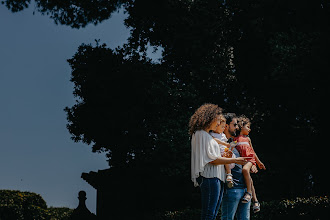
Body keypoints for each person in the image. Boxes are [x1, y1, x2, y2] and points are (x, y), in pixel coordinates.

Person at [190, 104, 249, 220]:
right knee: (209, 214)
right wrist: (234, 160)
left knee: (213, 214)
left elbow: (217, 156)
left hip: (217, 178)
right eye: (217, 120)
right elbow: (212, 160)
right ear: (208, 119)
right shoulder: (200, 134)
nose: (218, 123)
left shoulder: (207, 136)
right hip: (210, 178)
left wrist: (228, 153)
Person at [221, 113, 257, 220]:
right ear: (226, 126)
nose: (237, 127)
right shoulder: (222, 143)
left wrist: (253, 163)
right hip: (232, 189)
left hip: (245, 190)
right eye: (235, 124)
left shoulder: (238, 142)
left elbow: (250, 155)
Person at [234, 115, 265, 212]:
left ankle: (248, 193)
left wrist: (258, 162)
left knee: (245, 170)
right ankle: (255, 202)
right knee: (249, 180)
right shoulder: (235, 139)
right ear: (241, 126)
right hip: (242, 160)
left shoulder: (248, 139)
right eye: (248, 126)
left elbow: (253, 151)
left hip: (250, 160)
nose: (250, 129)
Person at [209, 115, 236, 188]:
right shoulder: (211, 134)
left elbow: (227, 145)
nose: (224, 128)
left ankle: (229, 175)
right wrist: (224, 143)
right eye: (222, 126)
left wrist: (230, 147)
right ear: (216, 126)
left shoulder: (223, 135)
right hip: (219, 152)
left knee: (227, 155)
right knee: (225, 158)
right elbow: (215, 140)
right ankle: (229, 175)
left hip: (224, 151)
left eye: (224, 126)